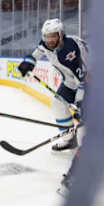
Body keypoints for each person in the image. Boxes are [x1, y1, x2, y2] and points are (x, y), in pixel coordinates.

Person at [18, 18, 88, 151]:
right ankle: (69, 140)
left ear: (60, 35)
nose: (49, 40)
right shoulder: (47, 44)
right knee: (57, 105)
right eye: (46, 36)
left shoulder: (69, 51)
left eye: (53, 36)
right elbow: (38, 52)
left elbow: (84, 79)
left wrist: (81, 102)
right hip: (70, 82)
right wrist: (28, 62)